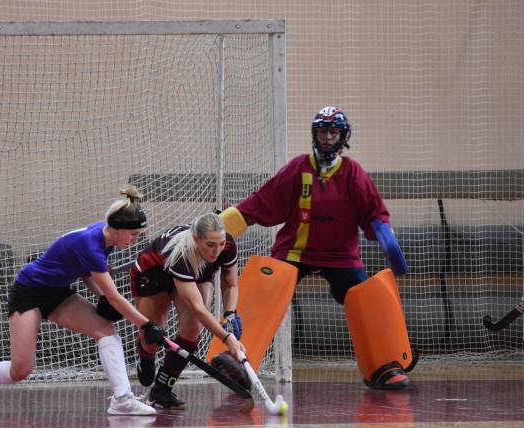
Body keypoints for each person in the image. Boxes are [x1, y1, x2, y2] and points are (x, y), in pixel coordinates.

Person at [219, 105, 413, 389]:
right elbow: (263, 201)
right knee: (264, 289)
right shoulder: (298, 168)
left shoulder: (353, 172)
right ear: (315, 134)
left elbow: (373, 212)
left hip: (341, 257)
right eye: (323, 131)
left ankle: (384, 365)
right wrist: (223, 224)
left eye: (334, 132)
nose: (328, 138)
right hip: (294, 252)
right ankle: (236, 358)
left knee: (367, 296)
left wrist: (384, 232)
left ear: (343, 136)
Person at [0, 185, 168, 415]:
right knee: (21, 370)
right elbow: (114, 297)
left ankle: (122, 400)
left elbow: (86, 273)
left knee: (106, 331)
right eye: (133, 234)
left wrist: (100, 298)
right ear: (118, 228)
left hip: (58, 293)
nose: (135, 239)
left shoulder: (106, 238)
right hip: (29, 292)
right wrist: (146, 325)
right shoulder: (92, 244)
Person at [130, 212, 247, 410]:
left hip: (195, 274)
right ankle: (146, 357)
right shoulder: (181, 253)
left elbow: (230, 284)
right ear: (196, 239)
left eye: (220, 244)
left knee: (193, 328)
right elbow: (198, 307)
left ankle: (161, 390)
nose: (216, 251)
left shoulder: (227, 245)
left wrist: (230, 314)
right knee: (152, 339)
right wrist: (228, 339)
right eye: (210, 245)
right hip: (152, 275)